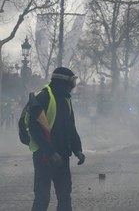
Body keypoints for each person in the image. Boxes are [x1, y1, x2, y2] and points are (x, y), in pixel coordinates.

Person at [27, 67, 85, 211]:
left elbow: (70, 127)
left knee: (65, 197)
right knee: (42, 198)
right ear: (65, 81)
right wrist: (51, 152)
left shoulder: (66, 99)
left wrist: (77, 149)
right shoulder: (44, 97)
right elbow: (35, 128)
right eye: (73, 81)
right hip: (44, 156)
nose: (74, 85)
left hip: (62, 155)